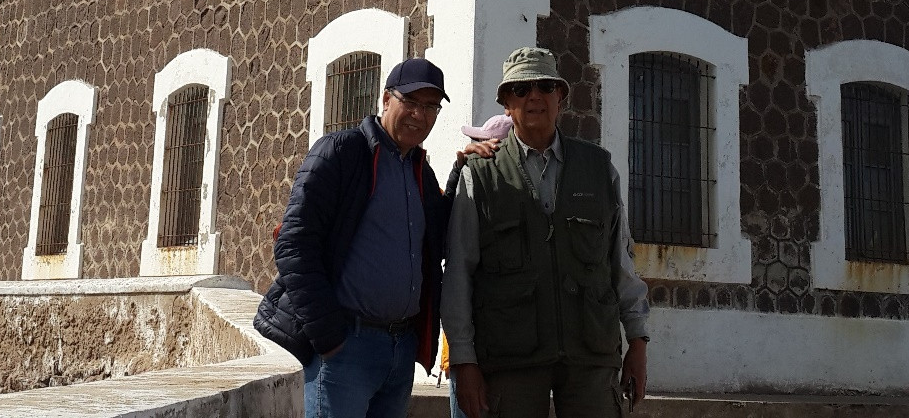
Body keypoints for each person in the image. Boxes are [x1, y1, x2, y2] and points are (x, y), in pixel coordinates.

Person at [442, 47, 650, 417]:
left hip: (590, 353)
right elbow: (458, 272)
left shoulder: (599, 168)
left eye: (545, 86)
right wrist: (463, 359)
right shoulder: (480, 174)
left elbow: (621, 262)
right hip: (510, 356)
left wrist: (638, 340)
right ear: (506, 104)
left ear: (561, 97)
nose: (534, 96)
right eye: (521, 89)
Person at [254, 58, 452, 418]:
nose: (419, 115)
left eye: (430, 107)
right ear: (386, 99)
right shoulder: (341, 152)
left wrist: (466, 169)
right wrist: (328, 335)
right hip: (346, 347)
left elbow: (439, 240)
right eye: (410, 102)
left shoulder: (421, 172)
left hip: (400, 350)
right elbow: (293, 243)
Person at [441, 115, 512, 418]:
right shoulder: (468, 180)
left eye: (481, 142)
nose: (473, 147)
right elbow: (443, 234)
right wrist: (459, 169)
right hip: (467, 347)